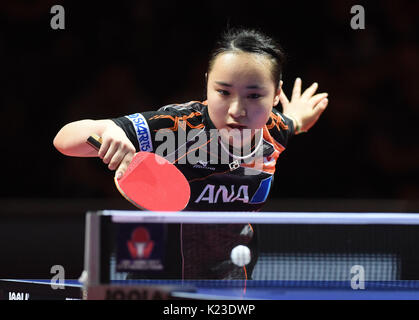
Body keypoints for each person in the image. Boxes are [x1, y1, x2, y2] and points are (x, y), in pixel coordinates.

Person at [54, 28, 328, 280]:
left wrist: (297, 118)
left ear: (277, 93)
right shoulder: (177, 127)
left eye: (254, 96)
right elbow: (65, 139)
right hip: (157, 284)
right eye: (223, 91)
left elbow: (293, 123)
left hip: (231, 287)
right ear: (208, 84)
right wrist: (113, 131)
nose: (237, 110)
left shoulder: (275, 129)